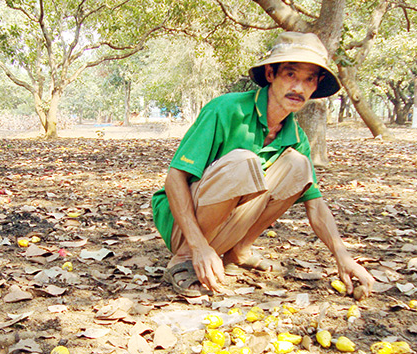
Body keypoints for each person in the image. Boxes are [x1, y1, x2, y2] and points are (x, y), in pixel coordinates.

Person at [151, 32, 374, 298]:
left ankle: (238, 250)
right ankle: (184, 258)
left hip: (229, 227)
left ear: (317, 85)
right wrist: (198, 246)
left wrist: (343, 256)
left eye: (309, 79)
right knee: (243, 161)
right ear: (270, 74)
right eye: (290, 75)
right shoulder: (225, 109)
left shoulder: (296, 137)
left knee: (298, 165)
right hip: (184, 228)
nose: (299, 88)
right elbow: (174, 178)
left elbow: (315, 204)